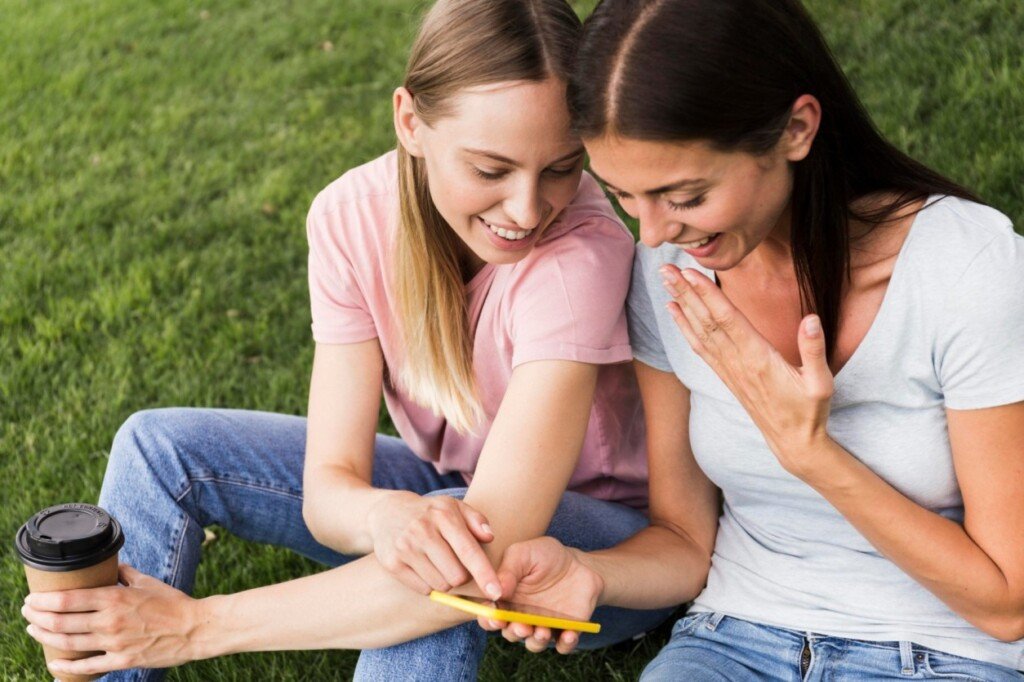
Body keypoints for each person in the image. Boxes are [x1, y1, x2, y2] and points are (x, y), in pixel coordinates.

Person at [19, 1, 674, 679]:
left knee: (450, 537)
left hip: (603, 548)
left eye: (563, 168)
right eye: (490, 170)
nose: (528, 208)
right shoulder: (349, 218)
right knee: (158, 447)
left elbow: (496, 530)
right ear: (409, 121)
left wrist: (196, 628)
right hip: (462, 489)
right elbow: (328, 490)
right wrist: (382, 518)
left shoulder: (581, 256)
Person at [482, 0, 1024, 679]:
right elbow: (683, 536)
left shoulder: (965, 269)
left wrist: (812, 453)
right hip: (734, 638)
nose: (651, 233)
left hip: (946, 654)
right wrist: (590, 574)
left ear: (796, 128)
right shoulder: (670, 272)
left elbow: (1008, 601)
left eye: (685, 195)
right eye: (625, 195)